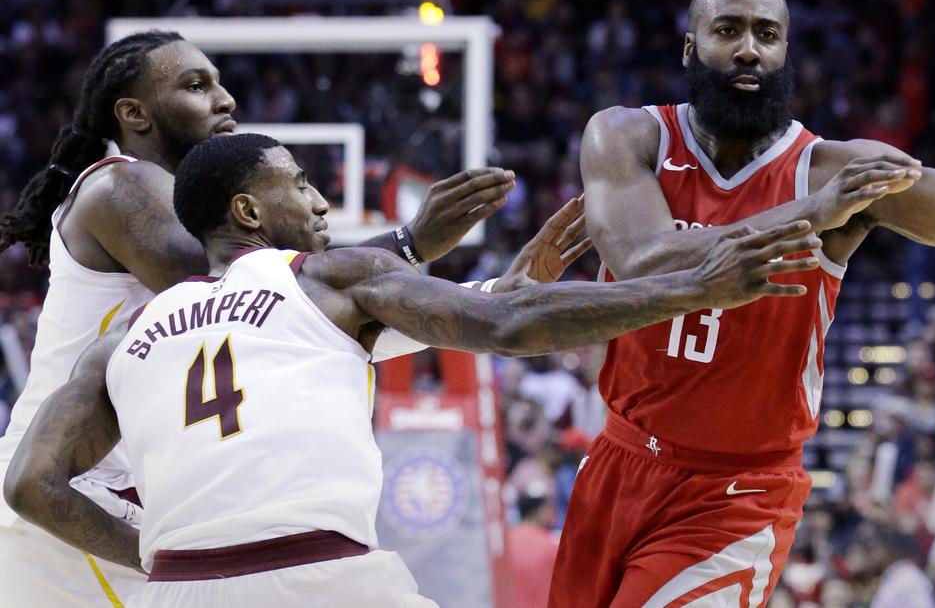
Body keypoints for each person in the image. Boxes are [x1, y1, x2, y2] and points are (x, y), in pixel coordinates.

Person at [3, 133, 822, 607]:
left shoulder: (127, 337)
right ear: (249, 212)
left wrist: (148, 551)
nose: (322, 202)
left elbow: (30, 485)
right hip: (322, 580)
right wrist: (690, 286)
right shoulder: (324, 278)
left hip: (181, 590)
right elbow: (507, 329)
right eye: (300, 184)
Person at [552, 0, 935, 606]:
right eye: (728, 30)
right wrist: (808, 217)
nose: (747, 49)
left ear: (786, 52)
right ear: (691, 47)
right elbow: (638, 262)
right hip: (617, 460)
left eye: (766, 35)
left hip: (734, 494)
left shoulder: (833, 171)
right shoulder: (629, 136)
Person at [0, 31, 587, 606]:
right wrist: (409, 247)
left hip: (120, 492)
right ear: (135, 113)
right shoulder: (120, 184)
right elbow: (285, 302)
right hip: (75, 492)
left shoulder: (177, 220)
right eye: (196, 86)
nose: (225, 99)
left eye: (221, 83)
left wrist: (481, 294)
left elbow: (298, 311)